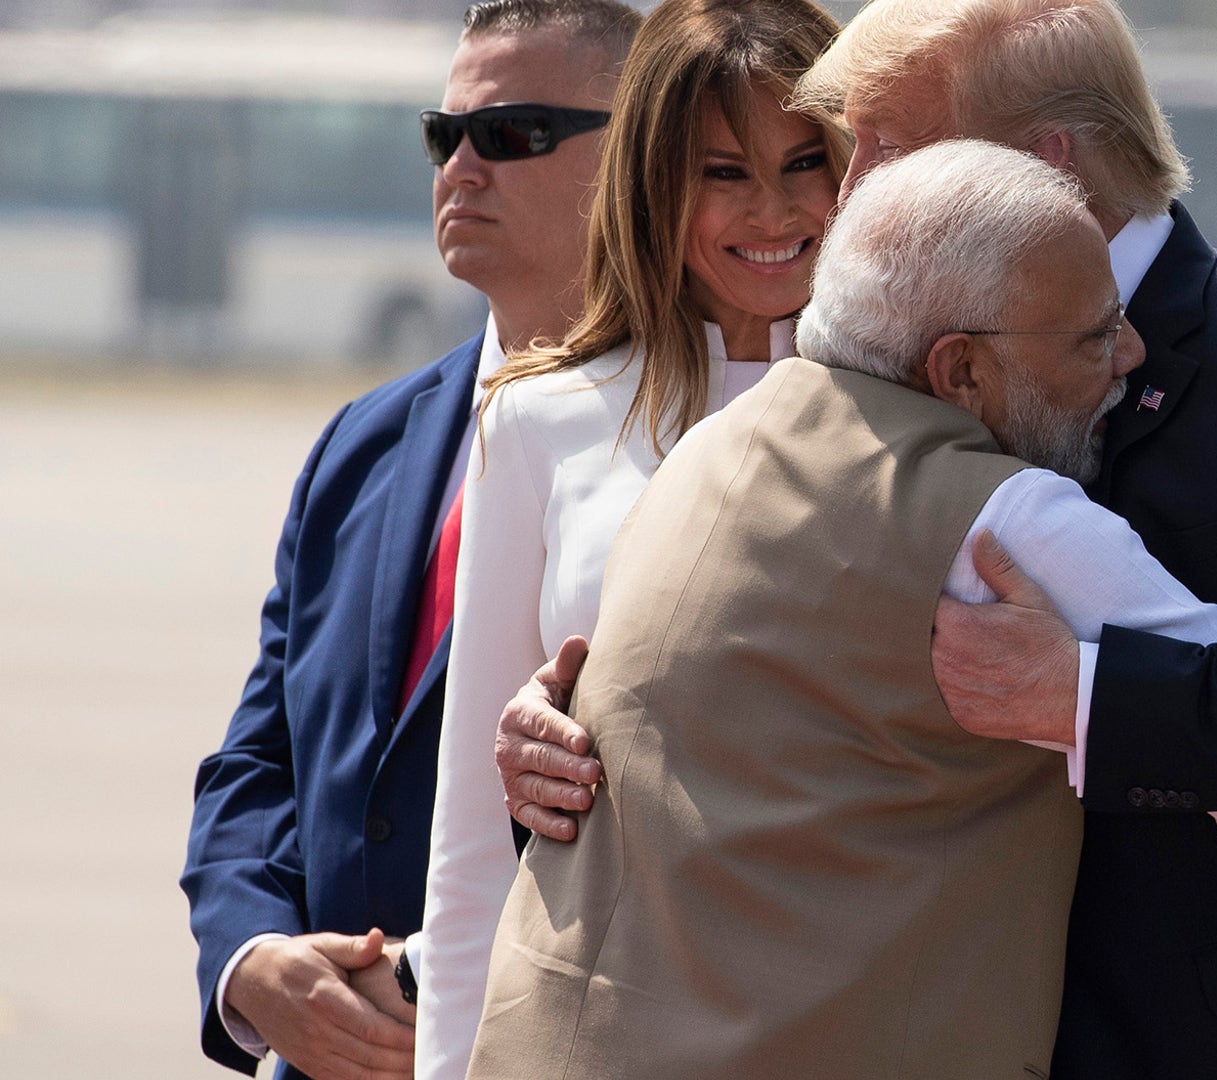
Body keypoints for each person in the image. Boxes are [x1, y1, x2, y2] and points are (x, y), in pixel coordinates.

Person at [502, 1, 1217, 1076]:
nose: (849, 189)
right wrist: (577, 731)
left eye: (887, 147)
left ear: (1049, 166)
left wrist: (1086, 697)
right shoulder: (872, 360)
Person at [177, 3, 638, 1077]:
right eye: (446, 134)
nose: (463, 167)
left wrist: (420, 982)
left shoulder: (694, 445)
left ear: (642, 159)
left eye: (514, 133)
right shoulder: (366, 441)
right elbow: (259, 758)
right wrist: (250, 958)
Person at [411, 2, 846, 1077]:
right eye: (724, 173)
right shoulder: (536, 420)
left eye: (806, 163)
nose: (777, 209)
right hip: (606, 1027)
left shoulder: (941, 409)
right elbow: (470, 842)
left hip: (860, 1008)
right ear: (655, 179)